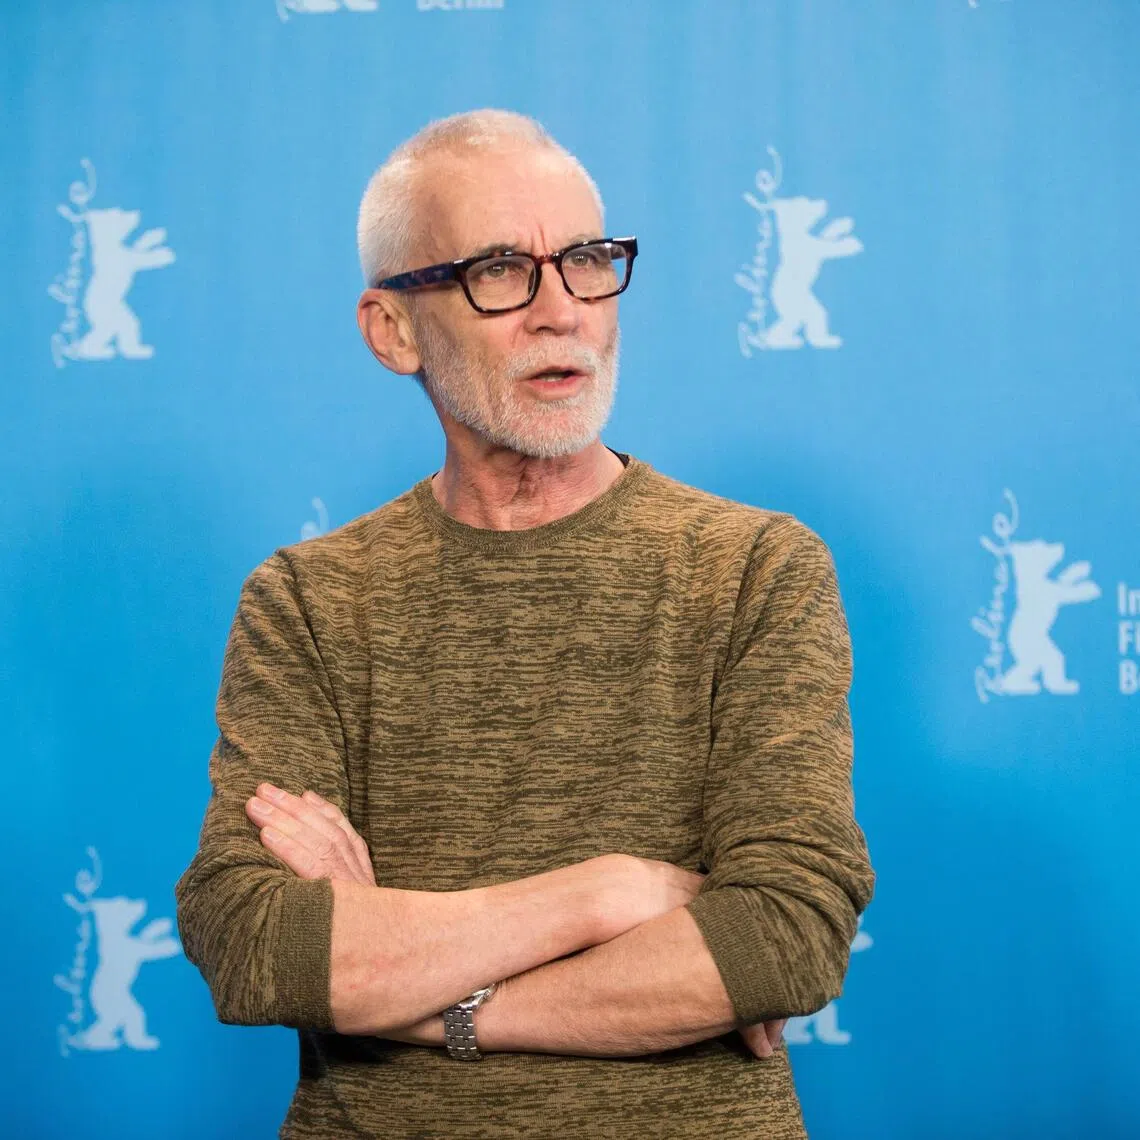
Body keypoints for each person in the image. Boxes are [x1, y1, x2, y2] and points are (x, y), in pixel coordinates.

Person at [175, 108, 875, 1140]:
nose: (562, 312)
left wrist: (433, 999)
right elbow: (254, 943)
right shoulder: (308, 600)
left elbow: (781, 937)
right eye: (499, 270)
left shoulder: (755, 568)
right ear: (393, 329)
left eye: (586, 261)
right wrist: (604, 895)